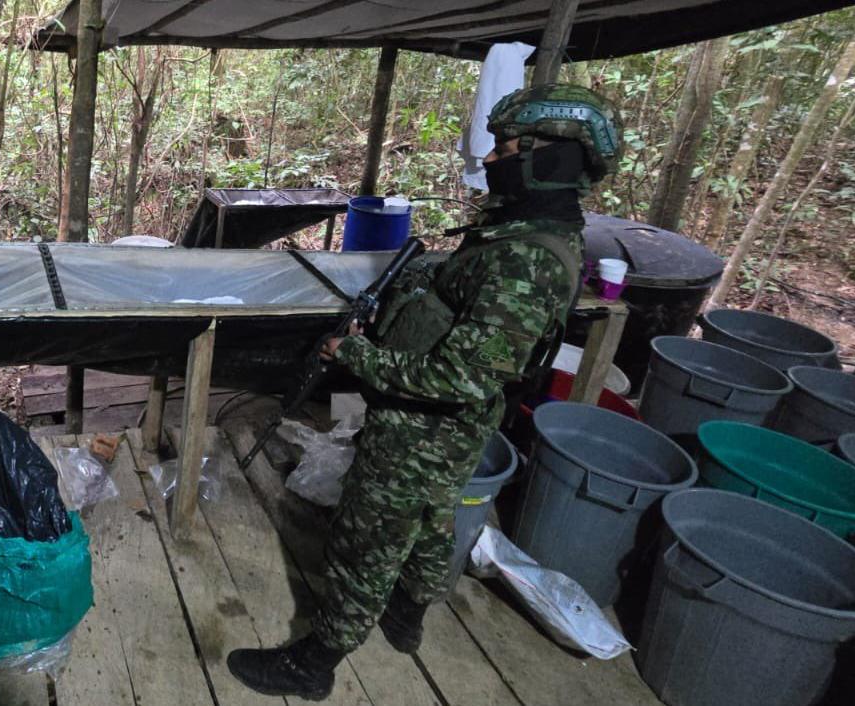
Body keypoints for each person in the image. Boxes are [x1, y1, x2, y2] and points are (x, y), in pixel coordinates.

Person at [227, 84, 621, 700]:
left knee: (368, 537)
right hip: (457, 429)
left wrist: (355, 353)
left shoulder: (526, 258)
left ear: (551, 158)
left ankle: (316, 662)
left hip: (422, 428)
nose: (492, 160)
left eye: (507, 148)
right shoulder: (530, 233)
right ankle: (407, 617)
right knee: (434, 521)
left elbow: (460, 375)